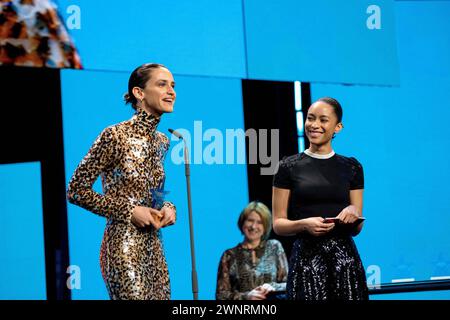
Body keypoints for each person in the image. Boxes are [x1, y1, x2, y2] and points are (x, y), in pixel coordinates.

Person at [67, 63, 176, 300]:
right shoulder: (114, 136)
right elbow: (75, 190)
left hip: (155, 248)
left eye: (173, 86)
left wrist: (166, 208)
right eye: (162, 84)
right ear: (139, 93)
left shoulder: (162, 141)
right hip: (123, 247)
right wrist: (129, 211)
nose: (171, 91)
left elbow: (152, 190)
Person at [272, 97, 368, 300]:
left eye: (323, 120)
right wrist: (303, 224)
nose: (314, 125)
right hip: (307, 263)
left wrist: (353, 212)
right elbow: (278, 225)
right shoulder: (288, 166)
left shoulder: (352, 167)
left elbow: (357, 228)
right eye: (310, 118)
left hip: (344, 262)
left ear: (337, 127)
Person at [216, 201, 288, 300]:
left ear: (265, 226)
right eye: (250, 220)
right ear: (242, 222)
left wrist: (273, 286)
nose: (253, 226)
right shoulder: (229, 255)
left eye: (259, 222)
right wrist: (246, 297)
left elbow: (289, 284)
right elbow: (221, 295)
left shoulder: (274, 247)